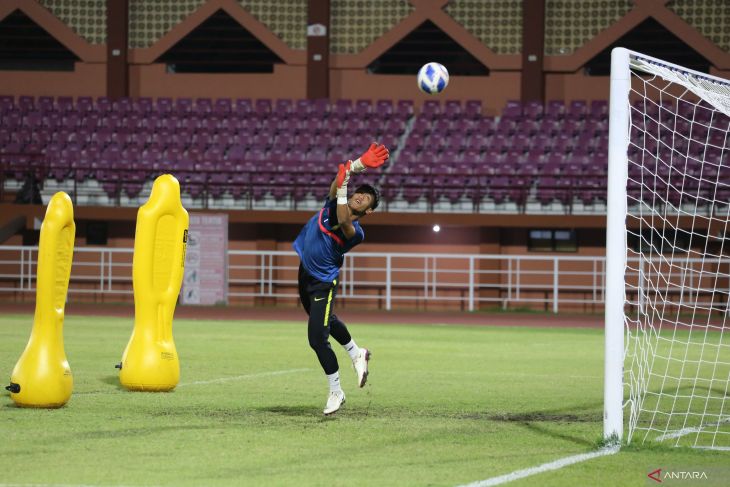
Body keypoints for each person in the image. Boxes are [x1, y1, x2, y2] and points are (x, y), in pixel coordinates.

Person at [293, 142, 389, 415]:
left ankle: (336, 391)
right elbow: (337, 188)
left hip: (323, 283)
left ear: (369, 211)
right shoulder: (336, 200)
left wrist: (347, 181)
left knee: (317, 337)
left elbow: (344, 218)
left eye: (367, 198)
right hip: (305, 274)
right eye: (361, 192)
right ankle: (358, 353)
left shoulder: (356, 232)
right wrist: (356, 165)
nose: (362, 196)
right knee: (327, 321)